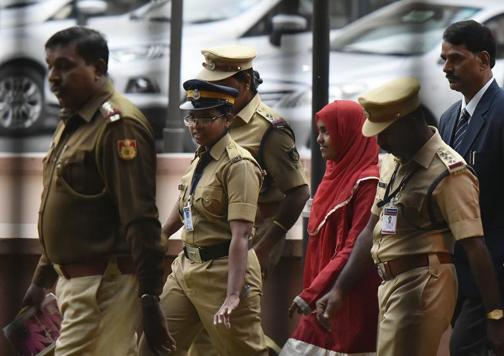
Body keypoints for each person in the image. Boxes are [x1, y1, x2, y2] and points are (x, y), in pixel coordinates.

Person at [316, 77, 504, 356]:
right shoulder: (393, 163)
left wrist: (495, 317)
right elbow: (369, 231)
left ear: (408, 123)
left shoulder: (449, 172)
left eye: (385, 132)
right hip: (390, 285)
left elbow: (475, 247)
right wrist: (340, 290)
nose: (380, 141)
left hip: (423, 285)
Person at [20, 26, 174, 355]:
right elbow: (70, 208)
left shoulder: (119, 126)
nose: (52, 78)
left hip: (104, 287)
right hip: (75, 287)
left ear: (99, 68)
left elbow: (140, 219)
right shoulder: (74, 122)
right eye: (49, 66)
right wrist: (40, 280)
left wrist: (149, 298)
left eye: (64, 66)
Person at [187, 44, 309, 355]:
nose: (213, 90)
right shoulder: (207, 117)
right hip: (205, 245)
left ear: (245, 82)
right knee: (204, 334)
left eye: (222, 84)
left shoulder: (269, 129)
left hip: (249, 240)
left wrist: (265, 246)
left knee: (236, 330)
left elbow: (298, 191)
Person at [139, 80, 267, 355]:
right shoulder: (201, 158)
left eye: (206, 117)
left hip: (224, 274)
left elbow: (241, 235)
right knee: (154, 347)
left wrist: (233, 294)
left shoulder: (239, 165)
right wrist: (162, 234)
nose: (195, 125)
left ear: (228, 119)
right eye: (192, 117)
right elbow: (186, 201)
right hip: (185, 268)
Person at [437, 20, 504, 355]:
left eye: (456, 59)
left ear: (483, 59)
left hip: (494, 271)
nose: (447, 68)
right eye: (444, 59)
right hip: (456, 271)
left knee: (465, 347)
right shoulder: (449, 118)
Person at [280, 100, 381, 355]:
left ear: (348, 132)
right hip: (320, 296)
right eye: (319, 131)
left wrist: (313, 292)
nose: (319, 139)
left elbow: (354, 244)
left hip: (347, 295)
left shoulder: (368, 180)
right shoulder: (334, 174)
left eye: (327, 131)